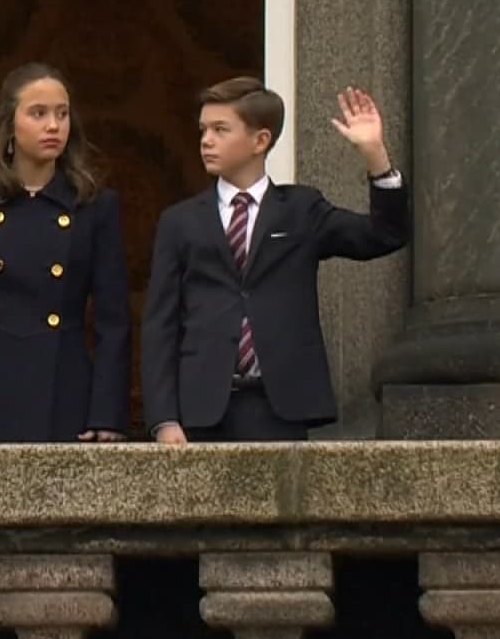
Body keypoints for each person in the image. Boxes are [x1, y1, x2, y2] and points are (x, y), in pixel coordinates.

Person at [142, 78, 410, 443]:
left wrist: (375, 154)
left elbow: (385, 235)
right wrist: (164, 419)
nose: (206, 140)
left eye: (220, 130)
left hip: (279, 405)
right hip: (200, 408)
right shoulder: (180, 221)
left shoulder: (301, 210)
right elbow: (161, 324)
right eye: (203, 129)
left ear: (260, 140)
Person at [0, 63, 131, 443]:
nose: (54, 126)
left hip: (63, 389)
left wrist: (108, 414)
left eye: (62, 114)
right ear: (9, 124)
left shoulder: (94, 206)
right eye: (39, 113)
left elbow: (113, 323)